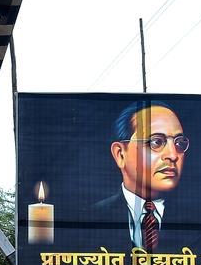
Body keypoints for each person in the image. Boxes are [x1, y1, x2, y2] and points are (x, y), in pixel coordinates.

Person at [73, 100, 190, 253]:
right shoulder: (87, 220)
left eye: (179, 143)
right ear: (120, 154)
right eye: (156, 142)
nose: (173, 155)